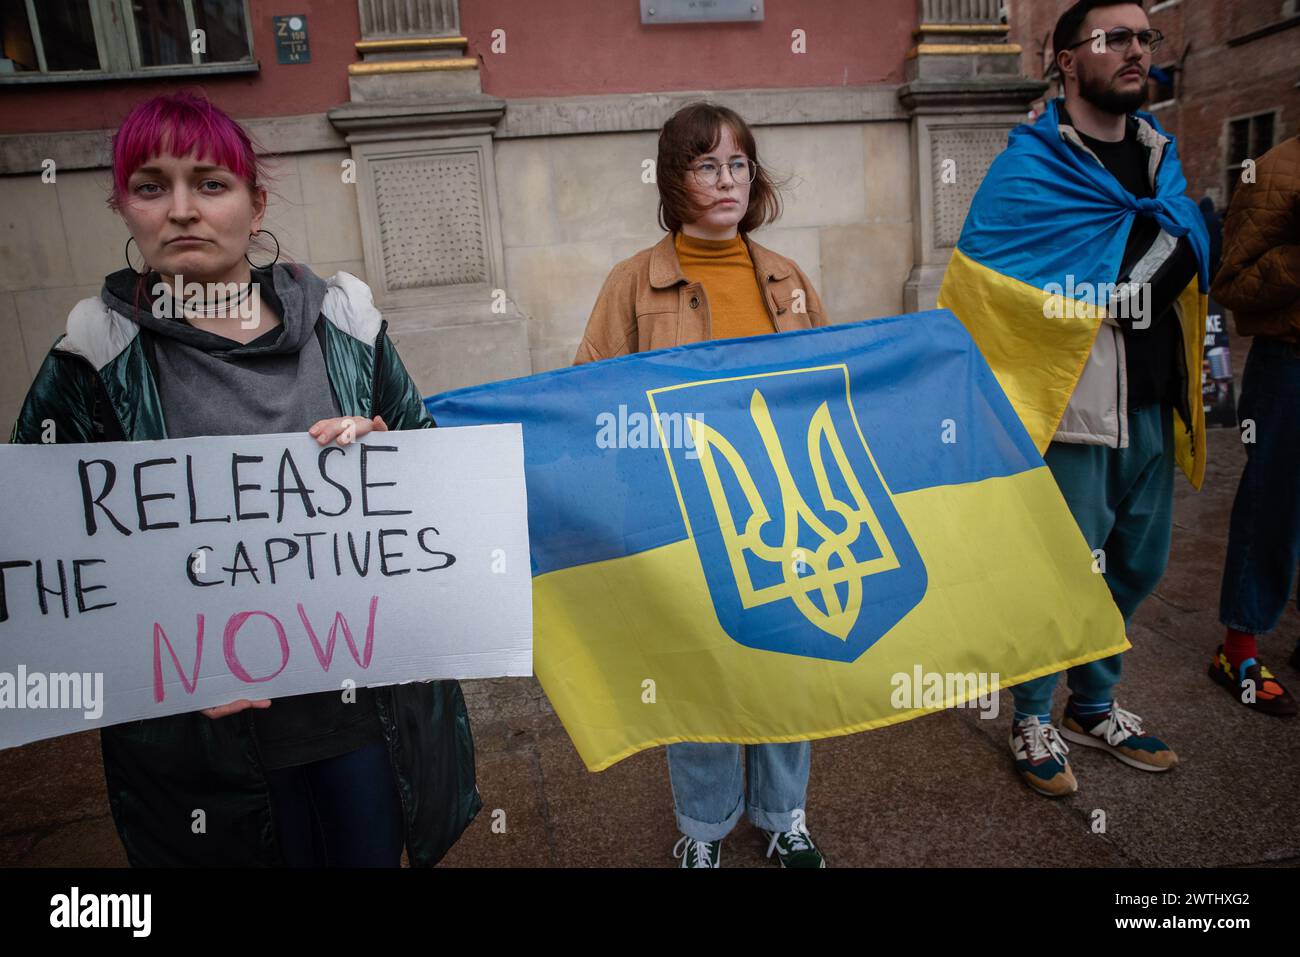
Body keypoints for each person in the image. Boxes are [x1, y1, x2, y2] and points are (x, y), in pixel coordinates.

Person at [9, 92, 481, 866]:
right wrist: (151, 672)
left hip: (362, 716)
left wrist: (393, 455)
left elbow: (439, 494)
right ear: (122, 206)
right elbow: (38, 569)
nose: (183, 209)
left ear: (255, 202)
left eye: (211, 183)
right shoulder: (94, 353)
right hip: (203, 747)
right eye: (152, 186)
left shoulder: (346, 324)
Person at [939, 0, 1212, 796]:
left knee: (1138, 563)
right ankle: (1031, 712)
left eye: (1143, 38)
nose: (1136, 50)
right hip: (1073, 405)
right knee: (1057, 568)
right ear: (1066, 58)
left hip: (1155, 399)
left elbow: (1185, 235)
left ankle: (1093, 701)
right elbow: (985, 288)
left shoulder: (1160, 156)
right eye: (1115, 38)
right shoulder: (1030, 166)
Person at [574, 102, 829, 867]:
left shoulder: (787, 278)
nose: (727, 180)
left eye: (739, 164)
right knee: (698, 665)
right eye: (706, 164)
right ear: (673, 178)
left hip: (782, 502)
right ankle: (706, 827)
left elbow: (830, 388)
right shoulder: (633, 282)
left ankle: (785, 816)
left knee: (788, 661)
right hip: (677, 508)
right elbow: (587, 393)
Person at [1207, 131, 1300, 717]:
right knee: (1275, 502)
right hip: (1290, 361)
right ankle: (1238, 646)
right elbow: (1233, 283)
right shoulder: (1270, 171)